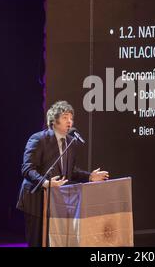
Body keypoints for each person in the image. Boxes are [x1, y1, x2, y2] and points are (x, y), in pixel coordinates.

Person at [16, 100, 109, 247]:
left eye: (71, 118)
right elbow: (27, 169)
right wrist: (46, 183)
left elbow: (71, 172)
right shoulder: (38, 139)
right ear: (54, 120)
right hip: (36, 199)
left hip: (57, 202)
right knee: (37, 242)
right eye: (65, 117)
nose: (70, 122)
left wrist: (90, 176)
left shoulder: (70, 142)